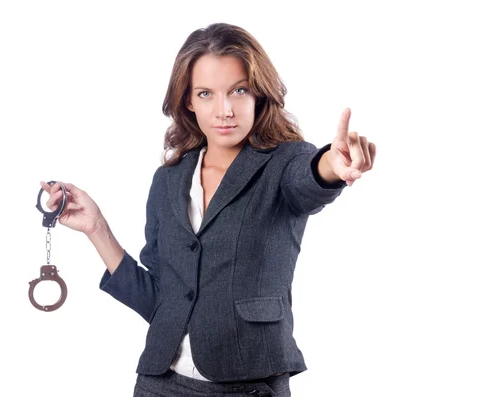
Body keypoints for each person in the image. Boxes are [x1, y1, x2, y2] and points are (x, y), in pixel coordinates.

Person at [40, 22, 376, 397]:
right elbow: (162, 301)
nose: (225, 110)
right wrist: (96, 228)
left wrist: (332, 163)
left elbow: (309, 179)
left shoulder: (284, 162)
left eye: (239, 90)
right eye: (206, 93)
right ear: (188, 100)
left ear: (258, 94)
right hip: (160, 384)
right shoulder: (168, 180)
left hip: (249, 385)